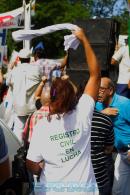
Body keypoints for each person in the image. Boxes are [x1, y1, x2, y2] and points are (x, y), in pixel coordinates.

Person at [26, 28, 101, 195]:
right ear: (74, 97)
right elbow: (95, 75)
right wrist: (83, 39)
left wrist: (41, 171)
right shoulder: (83, 112)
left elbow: (31, 164)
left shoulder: (42, 127)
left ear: (50, 101)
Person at [95, 77, 130, 195]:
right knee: (117, 191)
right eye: (96, 89)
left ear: (110, 91)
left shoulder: (124, 104)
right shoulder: (98, 105)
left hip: (128, 151)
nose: (97, 92)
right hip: (118, 153)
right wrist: (102, 114)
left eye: (101, 89)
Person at [6, 48, 42, 142]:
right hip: (34, 105)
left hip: (19, 106)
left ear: (19, 58)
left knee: (19, 129)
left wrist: (10, 68)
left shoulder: (14, 71)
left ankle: (19, 152)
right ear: (30, 59)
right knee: (35, 129)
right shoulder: (37, 70)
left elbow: (8, 83)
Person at [91, 110, 114, 195]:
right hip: (100, 177)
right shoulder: (105, 119)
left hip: (77, 182)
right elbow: (109, 149)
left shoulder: (62, 119)